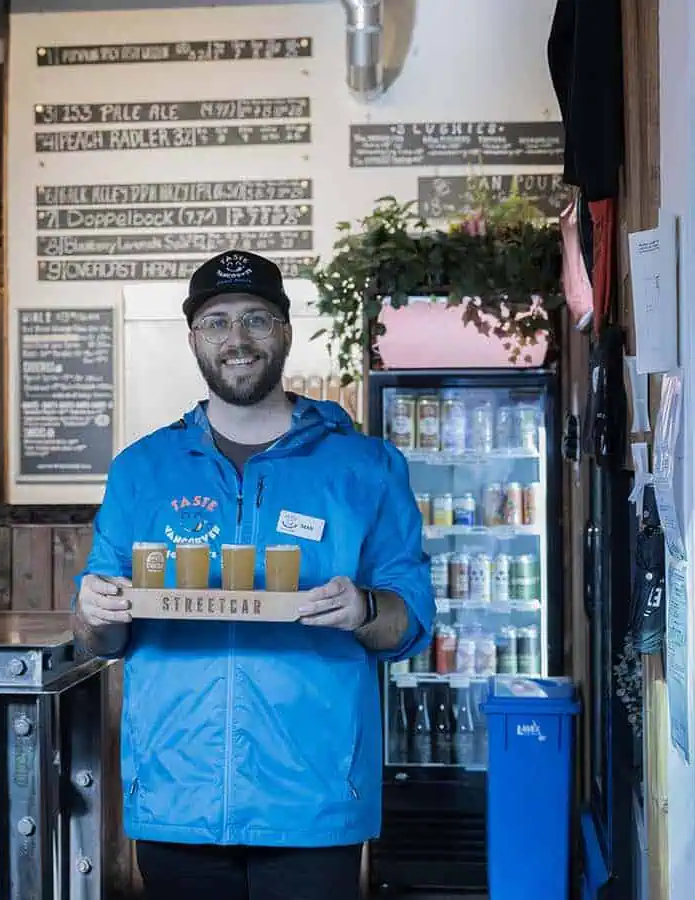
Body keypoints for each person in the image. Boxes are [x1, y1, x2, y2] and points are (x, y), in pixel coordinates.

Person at [73, 250, 434, 900]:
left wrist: (364, 610)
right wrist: (93, 613)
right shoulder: (142, 470)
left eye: (255, 320)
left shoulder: (364, 467)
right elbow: (100, 638)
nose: (236, 340)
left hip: (314, 797)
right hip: (176, 792)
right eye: (216, 322)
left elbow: (411, 625)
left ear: (286, 331)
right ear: (194, 339)